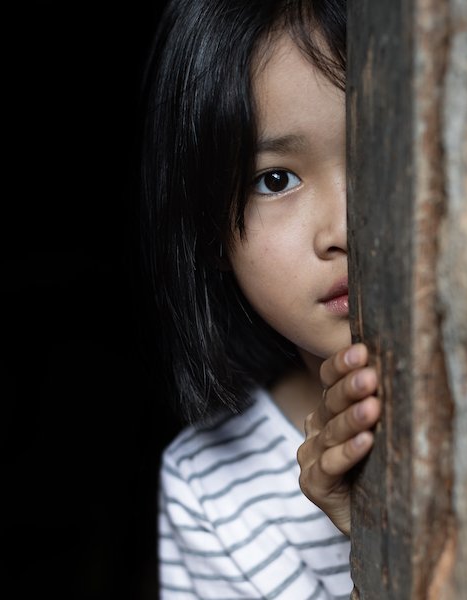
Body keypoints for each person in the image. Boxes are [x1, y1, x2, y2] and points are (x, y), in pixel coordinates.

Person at [138, 0, 381, 597]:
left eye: (378, 152)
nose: (344, 230)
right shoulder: (213, 491)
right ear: (209, 231)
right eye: (276, 179)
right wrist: (373, 546)